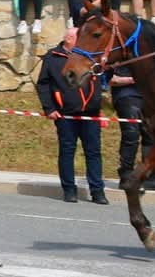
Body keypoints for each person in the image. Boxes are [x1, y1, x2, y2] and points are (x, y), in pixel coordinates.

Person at [36, 32, 106, 203]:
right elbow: (43, 84)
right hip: (66, 113)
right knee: (67, 151)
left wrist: (99, 106)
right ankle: (69, 189)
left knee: (94, 152)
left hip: (90, 113)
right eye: (78, 37)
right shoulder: (53, 57)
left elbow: (99, 79)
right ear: (68, 39)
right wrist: (49, 108)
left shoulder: (90, 55)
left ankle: (97, 191)